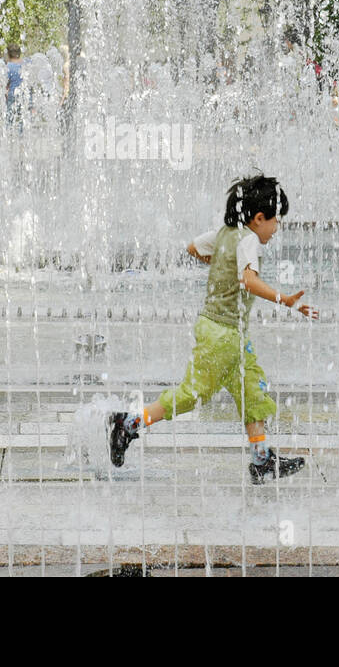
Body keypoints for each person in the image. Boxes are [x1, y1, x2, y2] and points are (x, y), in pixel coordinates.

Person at [109, 174, 317, 484]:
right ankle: (129, 422)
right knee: (192, 395)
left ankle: (261, 461)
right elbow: (248, 280)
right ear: (259, 218)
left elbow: (193, 247)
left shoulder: (224, 233)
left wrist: (222, 265)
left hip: (229, 335)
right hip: (222, 334)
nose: (277, 229)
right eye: (276, 221)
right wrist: (285, 300)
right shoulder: (247, 240)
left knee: (252, 391)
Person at [5, 43, 24, 120]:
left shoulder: (8, 66)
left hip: (12, 95)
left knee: (10, 119)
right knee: (23, 120)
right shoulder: (25, 64)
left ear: (9, 54)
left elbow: (5, 84)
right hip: (24, 95)